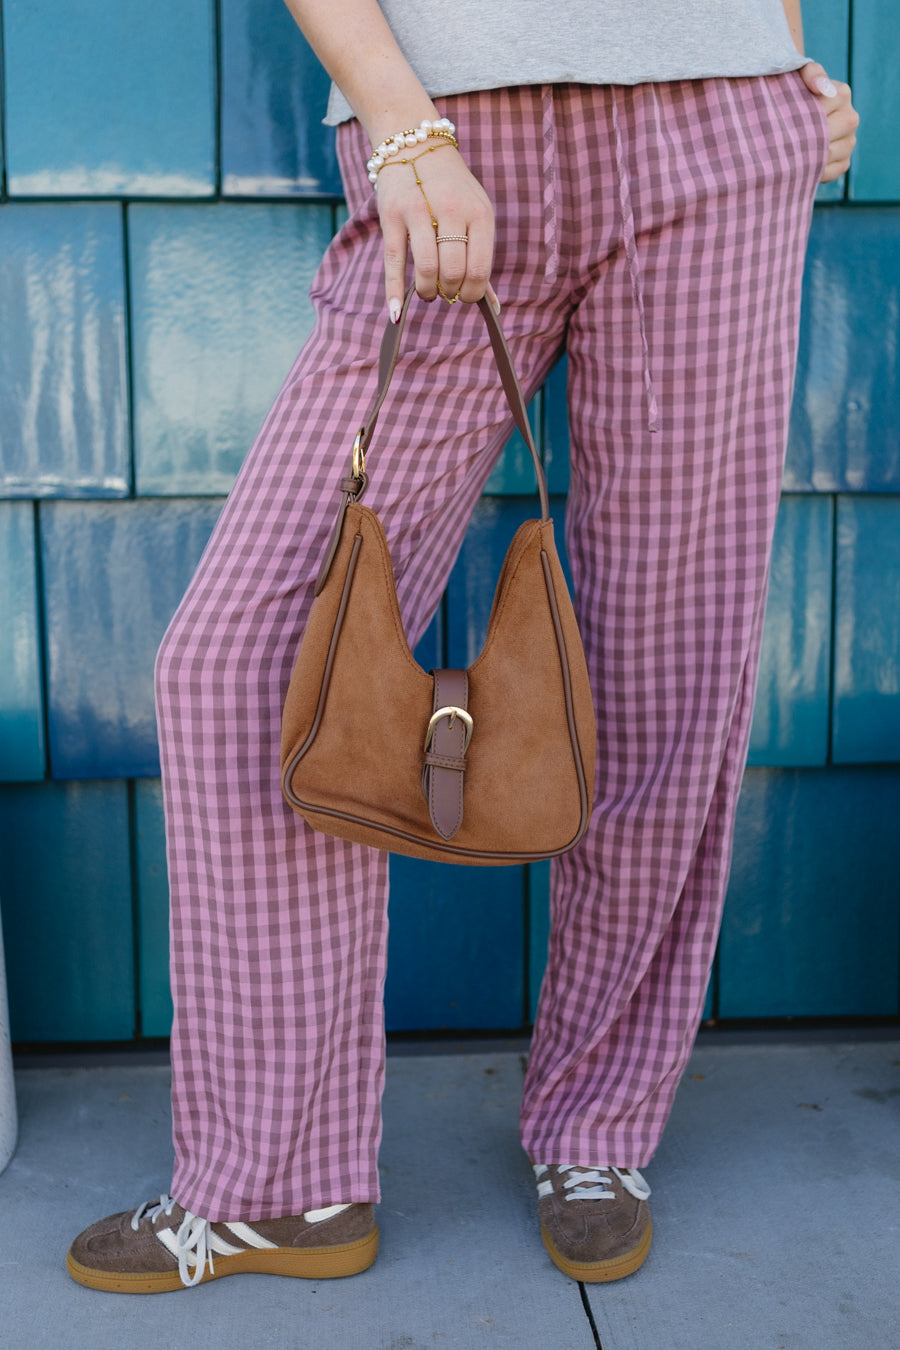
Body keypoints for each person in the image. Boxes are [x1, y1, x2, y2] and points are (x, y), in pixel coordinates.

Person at [66, 0, 857, 1293]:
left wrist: (786, 53)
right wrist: (398, 118)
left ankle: (596, 1130)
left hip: (721, 134)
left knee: (668, 665)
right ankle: (279, 1185)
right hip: (446, 129)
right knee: (246, 665)